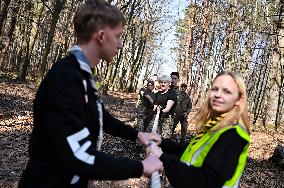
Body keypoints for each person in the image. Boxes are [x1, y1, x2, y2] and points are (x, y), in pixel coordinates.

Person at [18, 1, 163, 187]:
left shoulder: (84, 75)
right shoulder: (66, 77)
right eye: (118, 36)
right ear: (101, 36)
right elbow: (79, 155)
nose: (120, 45)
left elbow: (102, 117)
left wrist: (137, 135)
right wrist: (140, 167)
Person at [146, 71, 251, 188]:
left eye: (226, 91)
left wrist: (162, 157)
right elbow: (191, 152)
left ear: (239, 99)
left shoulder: (234, 133)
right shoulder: (216, 124)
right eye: (215, 89)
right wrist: (163, 143)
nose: (218, 94)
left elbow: (205, 181)